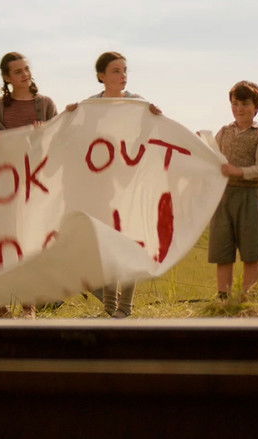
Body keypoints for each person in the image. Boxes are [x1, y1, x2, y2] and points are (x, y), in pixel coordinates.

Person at [68, 51, 162, 318]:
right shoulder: (91, 107)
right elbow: (77, 138)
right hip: (102, 185)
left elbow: (148, 136)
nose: (123, 76)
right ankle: (110, 307)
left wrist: (155, 117)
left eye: (124, 70)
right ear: (101, 76)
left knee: (130, 243)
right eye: (116, 71)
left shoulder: (137, 104)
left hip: (130, 182)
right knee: (107, 246)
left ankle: (125, 308)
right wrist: (70, 116)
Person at [0, 52, 59, 318]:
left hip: (35, 182)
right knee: (5, 242)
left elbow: (58, 140)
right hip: (6, 183)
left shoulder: (45, 105)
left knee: (31, 241)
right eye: (18, 71)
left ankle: (29, 305)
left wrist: (43, 135)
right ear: (7, 78)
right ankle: (1, 303)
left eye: (26, 69)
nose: (25, 74)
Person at [209, 81, 258, 302]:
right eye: (235, 103)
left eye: (245, 104)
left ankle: (247, 302)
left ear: (256, 106)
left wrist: (238, 171)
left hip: (249, 198)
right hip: (223, 197)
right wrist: (200, 143)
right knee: (222, 252)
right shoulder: (224, 132)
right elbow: (211, 157)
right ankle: (223, 301)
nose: (239, 109)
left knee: (251, 253)